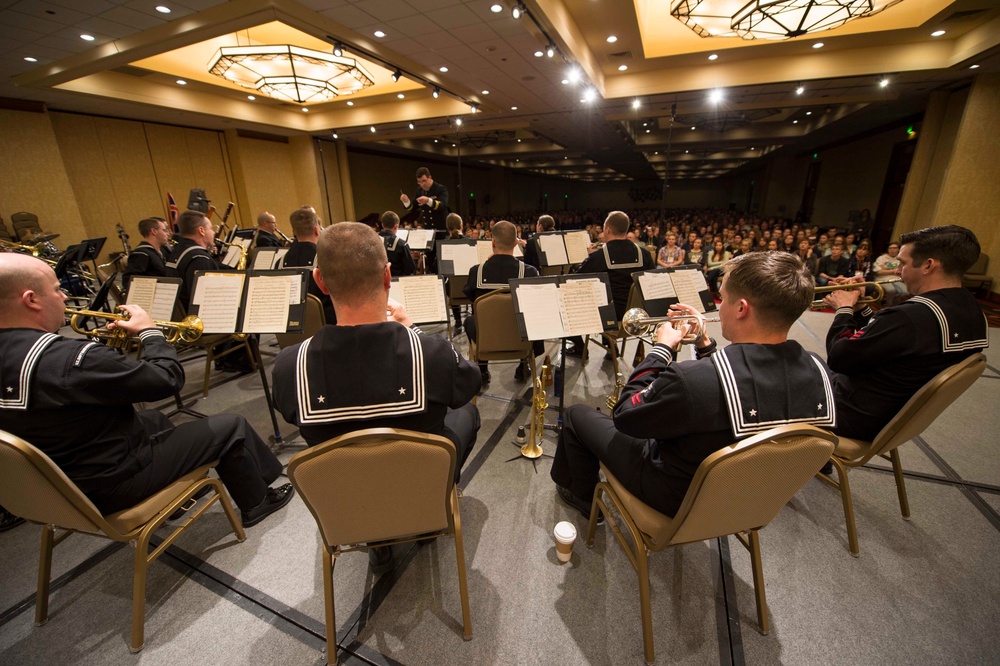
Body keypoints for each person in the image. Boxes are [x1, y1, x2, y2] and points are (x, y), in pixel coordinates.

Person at [0, 253, 293, 527]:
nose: (64, 296)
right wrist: (151, 333)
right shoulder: (73, 359)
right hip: (111, 484)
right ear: (31, 299)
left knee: (153, 419)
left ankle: (178, 498)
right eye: (56, 289)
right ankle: (257, 501)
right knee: (233, 426)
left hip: (54, 486)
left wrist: (108, 360)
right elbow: (167, 379)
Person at [550, 251, 835, 519]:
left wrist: (661, 349)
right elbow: (748, 389)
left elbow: (625, 416)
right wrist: (705, 345)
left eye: (722, 299)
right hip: (750, 502)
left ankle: (582, 496)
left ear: (741, 308)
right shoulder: (819, 369)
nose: (719, 308)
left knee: (577, 415)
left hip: (678, 497)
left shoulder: (692, 381)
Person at [272, 221, 481, 480]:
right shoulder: (434, 355)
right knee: (467, 412)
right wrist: (413, 330)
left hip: (340, 497)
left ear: (320, 282)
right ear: (387, 276)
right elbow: (471, 382)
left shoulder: (288, 366)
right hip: (419, 483)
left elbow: (288, 411)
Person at [824, 225, 988, 441]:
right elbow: (885, 341)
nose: (898, 271)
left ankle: (799, 455)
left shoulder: (908, 317)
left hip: (851, 415)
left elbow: (839, 357)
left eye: (902, 263)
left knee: (779, 368)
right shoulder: (973, 312)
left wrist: (843, 309)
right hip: (893, 419)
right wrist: (860, 309)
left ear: (928, 265)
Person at [463, 221, 541, 383]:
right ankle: (523, 365)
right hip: (520, 338)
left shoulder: (476, 271)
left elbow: (473, 300)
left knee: (471, 320)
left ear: (492, 242)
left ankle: (482, 368)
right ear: (515, 243)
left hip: (486, 336)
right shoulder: (530, 272)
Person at [282, 206, 336, 325]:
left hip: (291, 325)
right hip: (326, 326)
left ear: (293, 232)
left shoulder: (280, 261)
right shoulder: (326, 257)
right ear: (317, 230)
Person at [166, 209, 226, 311]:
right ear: (201, 231)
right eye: (211, 228)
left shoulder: (178, 250)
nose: (213, 232)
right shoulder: (200, 259)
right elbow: (204, 301)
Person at [122, 216, 171, 290]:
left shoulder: (161, 250)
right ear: (154, 231)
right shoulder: (141, 254)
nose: (168, 234)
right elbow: (129, 282)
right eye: (164, 230)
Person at [400, 167, 449, 231]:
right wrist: (406, 201)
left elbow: (442, 205)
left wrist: (428, 201)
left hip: (441, 229)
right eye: (419, 182)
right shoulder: (419, 191)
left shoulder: (441, 189)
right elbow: (412, 208)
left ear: (430, 177)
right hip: (428, 229)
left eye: (424, 181)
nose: (422, 184)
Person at [378, 211, 416, 277]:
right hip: (396, 282)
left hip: (377, 283)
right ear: (396, 226)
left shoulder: (373, 241)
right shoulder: (401, 244)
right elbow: (410, 269)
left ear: (382, 225)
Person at [872, 241, 908, 305]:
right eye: (890, 248)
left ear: (898, 249)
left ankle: (893, 303)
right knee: (891, 290)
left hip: (896, 279)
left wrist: (885, 270)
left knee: (905, 292)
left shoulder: (900, 259)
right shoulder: (882, 258)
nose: (892, 250)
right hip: (882, 279)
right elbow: (879, 272)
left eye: (894, 248)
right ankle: (888, 305)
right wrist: (894, 271)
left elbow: (901, 272)